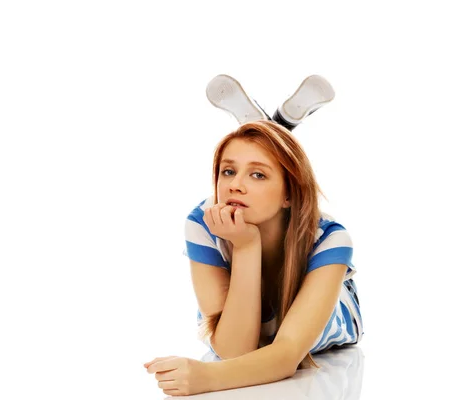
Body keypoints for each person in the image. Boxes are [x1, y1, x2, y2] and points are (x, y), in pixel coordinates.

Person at [144, 78, 363, 397]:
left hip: (333, 311)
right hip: (243, 309)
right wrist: (246, 246)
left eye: (258, 174)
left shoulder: (330, 239)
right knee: (250, 330)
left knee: (271, 333)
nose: (234, 185)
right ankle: (277, 127)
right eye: (228, 172)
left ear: (289, 194)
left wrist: (208, 376)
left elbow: (286, 354)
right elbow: (234, 351)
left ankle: (270, 127)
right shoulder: (203, 222)